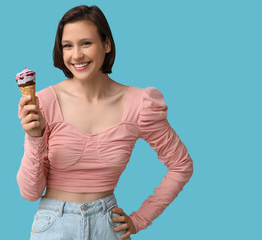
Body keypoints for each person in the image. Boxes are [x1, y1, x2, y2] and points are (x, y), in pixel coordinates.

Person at [16, 5, 193, 240]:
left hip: (108, 227)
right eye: (68, 45)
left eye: (86, 43)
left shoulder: (140, 104)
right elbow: (30, 193)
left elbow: (181, 165)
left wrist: (140, 219)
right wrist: (35, 137)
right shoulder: (44, 103)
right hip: (54, 226)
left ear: (106, 44)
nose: (76, 55)